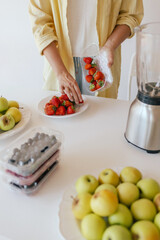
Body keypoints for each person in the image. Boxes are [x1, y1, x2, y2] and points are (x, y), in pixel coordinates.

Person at [28, 0, 144, 104]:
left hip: (102, 64)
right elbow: (39, 21)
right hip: (59, 64)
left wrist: (110, 46)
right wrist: (61, 72)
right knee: (58, 126)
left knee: (100, 122)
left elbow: (131, 14)